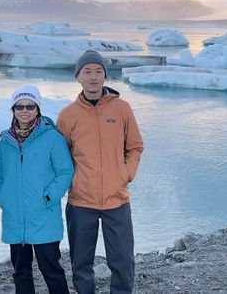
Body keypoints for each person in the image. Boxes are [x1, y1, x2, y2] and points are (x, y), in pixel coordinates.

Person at [56, 50, 144, 294]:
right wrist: (74, 180)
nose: (93, 77)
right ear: (78, 77)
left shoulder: (122, 109)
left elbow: (135, 146)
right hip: (81, 200)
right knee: (81, 264)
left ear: (105, 75)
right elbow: (60, 158)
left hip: (117, 199)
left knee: (123, 262)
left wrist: (125, 174)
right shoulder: (67, 116)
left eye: (98, 71)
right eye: (87, 72)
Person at [0, 84, 73, 294]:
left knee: (51, 269)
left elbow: (65, 172)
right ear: (13, 110)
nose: (25, 110)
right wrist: (2, 197)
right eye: (19, 106)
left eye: (30, 106)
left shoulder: (52, 138)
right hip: (15, 219)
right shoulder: (6, 142)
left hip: (43, 216)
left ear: (38, 109)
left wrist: (48, 196)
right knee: (21, 272)